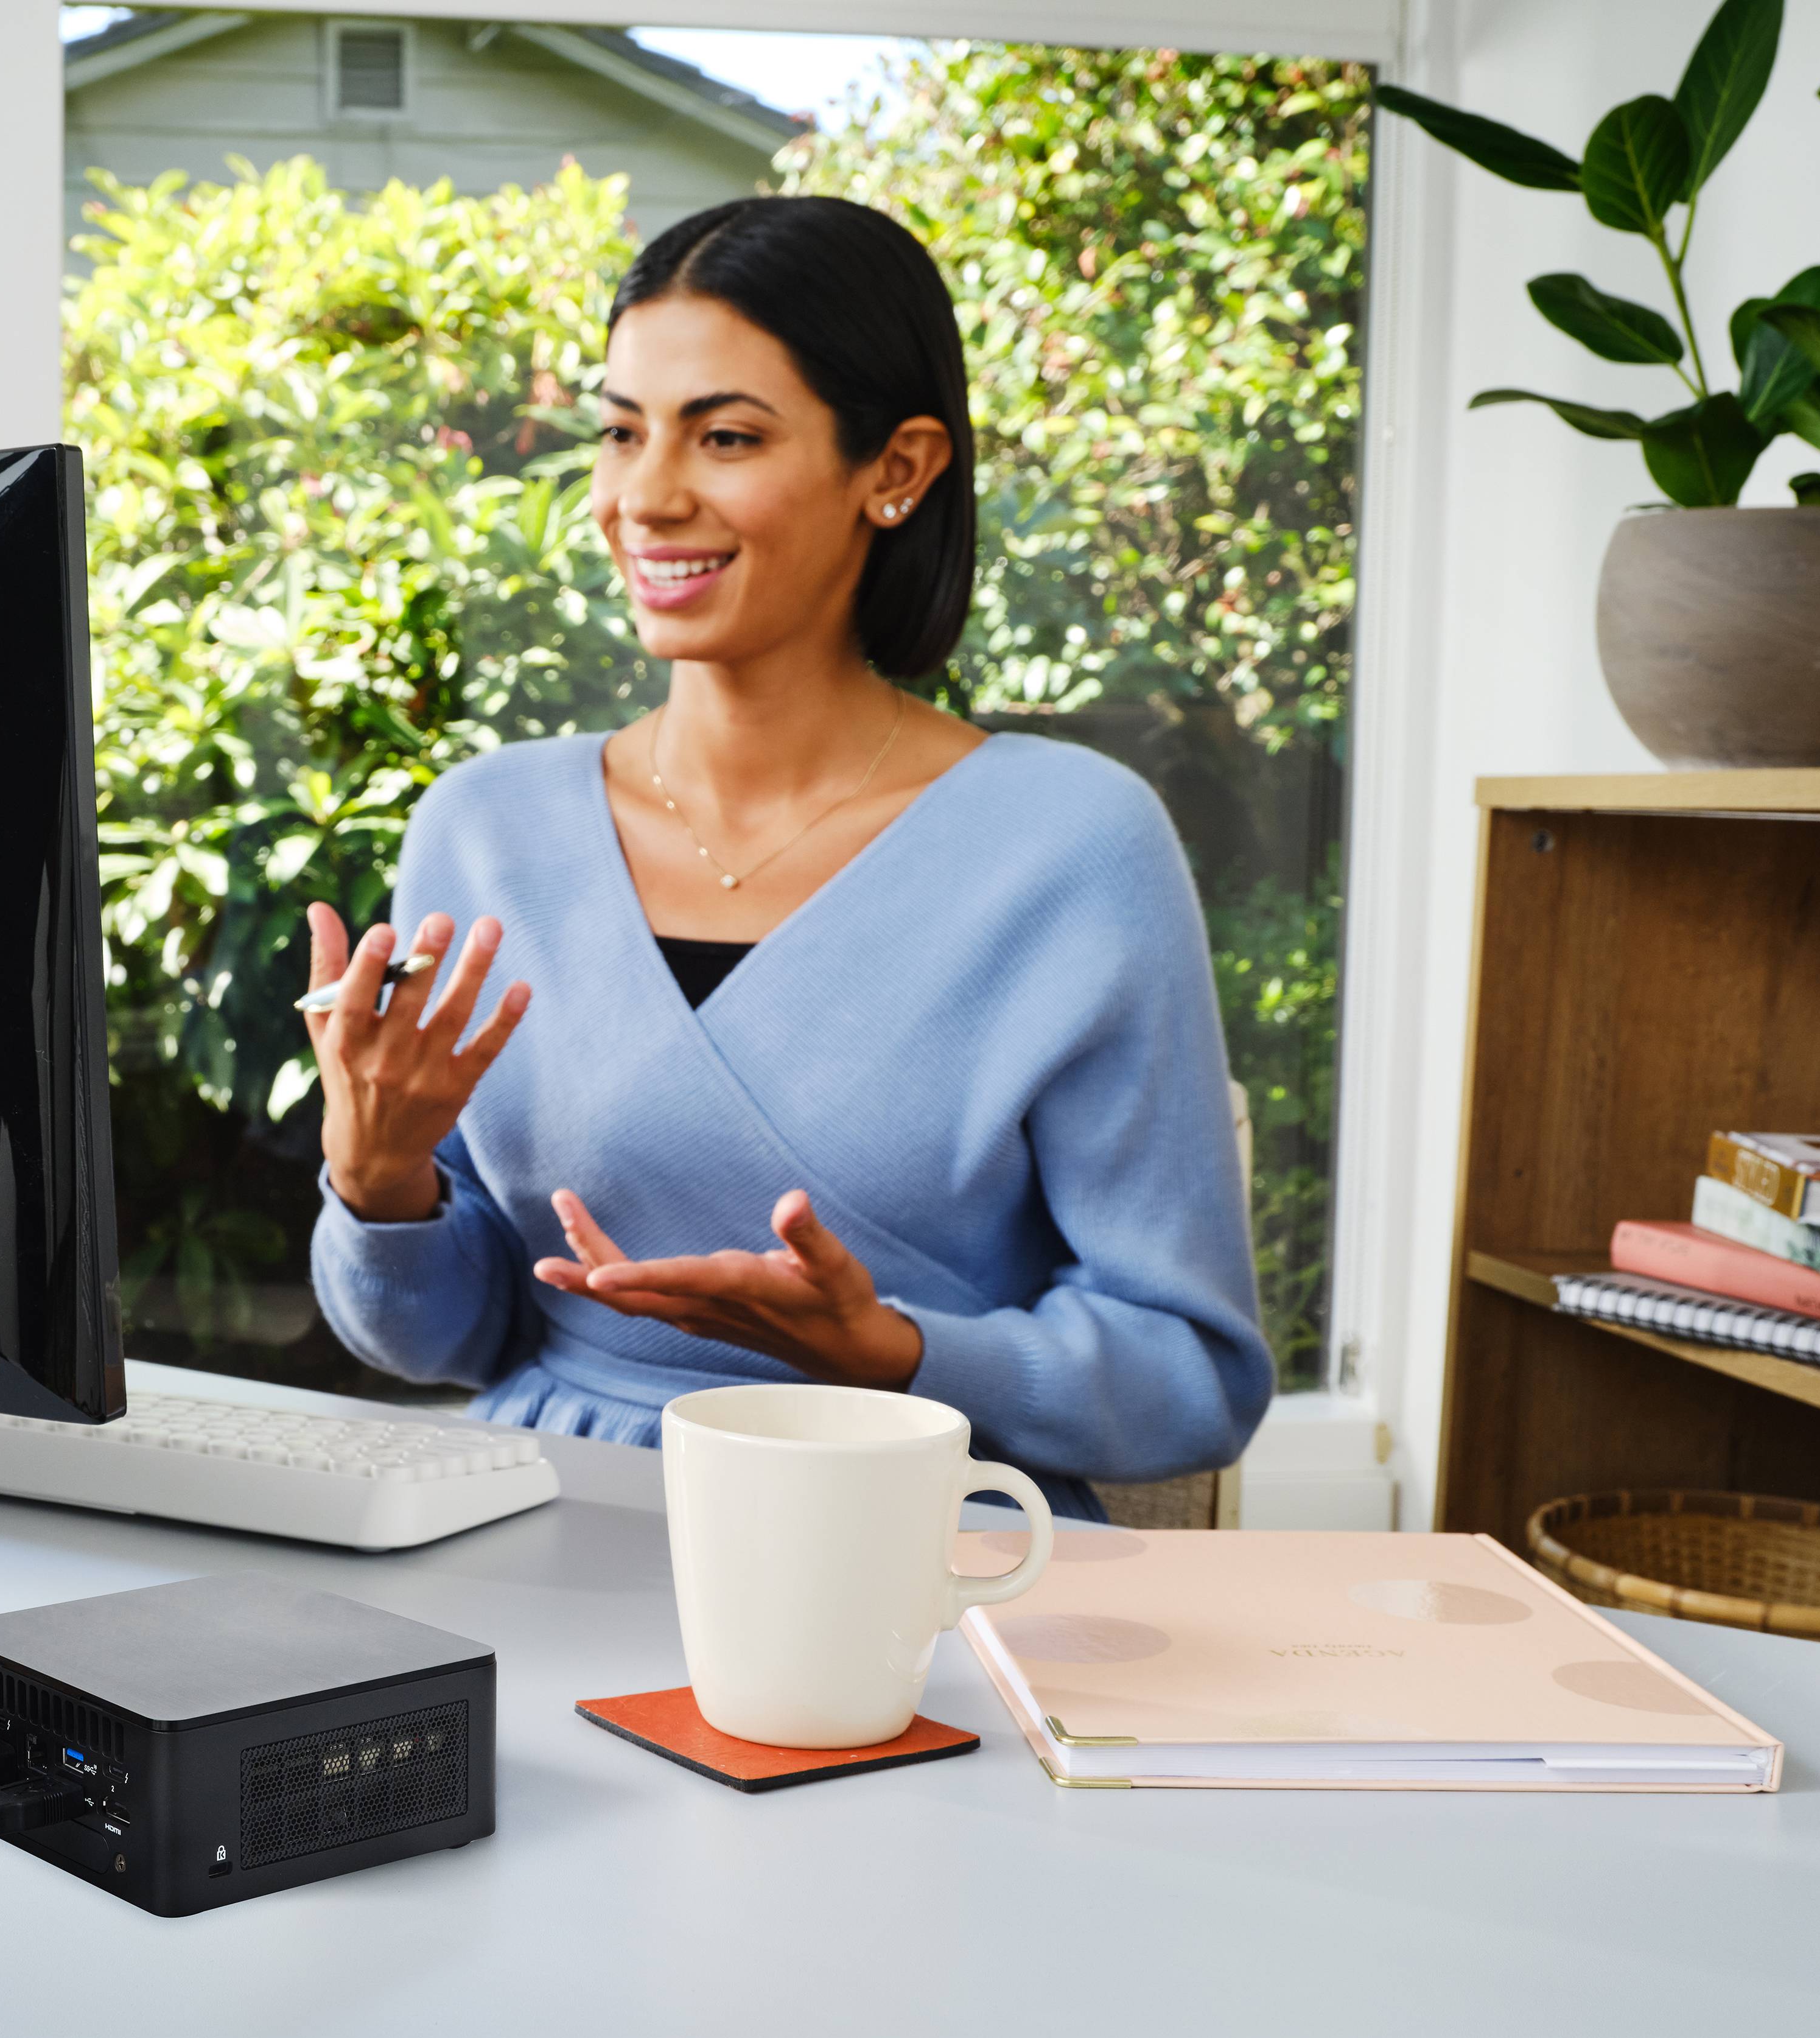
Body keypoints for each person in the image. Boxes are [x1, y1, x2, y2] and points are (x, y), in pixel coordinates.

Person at [301, 195, 1271, 1516]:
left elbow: (1193, 1381)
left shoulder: (1074, 846)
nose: (646, 497)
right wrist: (379, 1184)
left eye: (727, 437)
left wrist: (900, 1353)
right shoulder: (485, 828)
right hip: (544, 1518)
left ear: (898, 468)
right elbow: (446, 1342)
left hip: (913, 1545)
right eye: (622, 432)